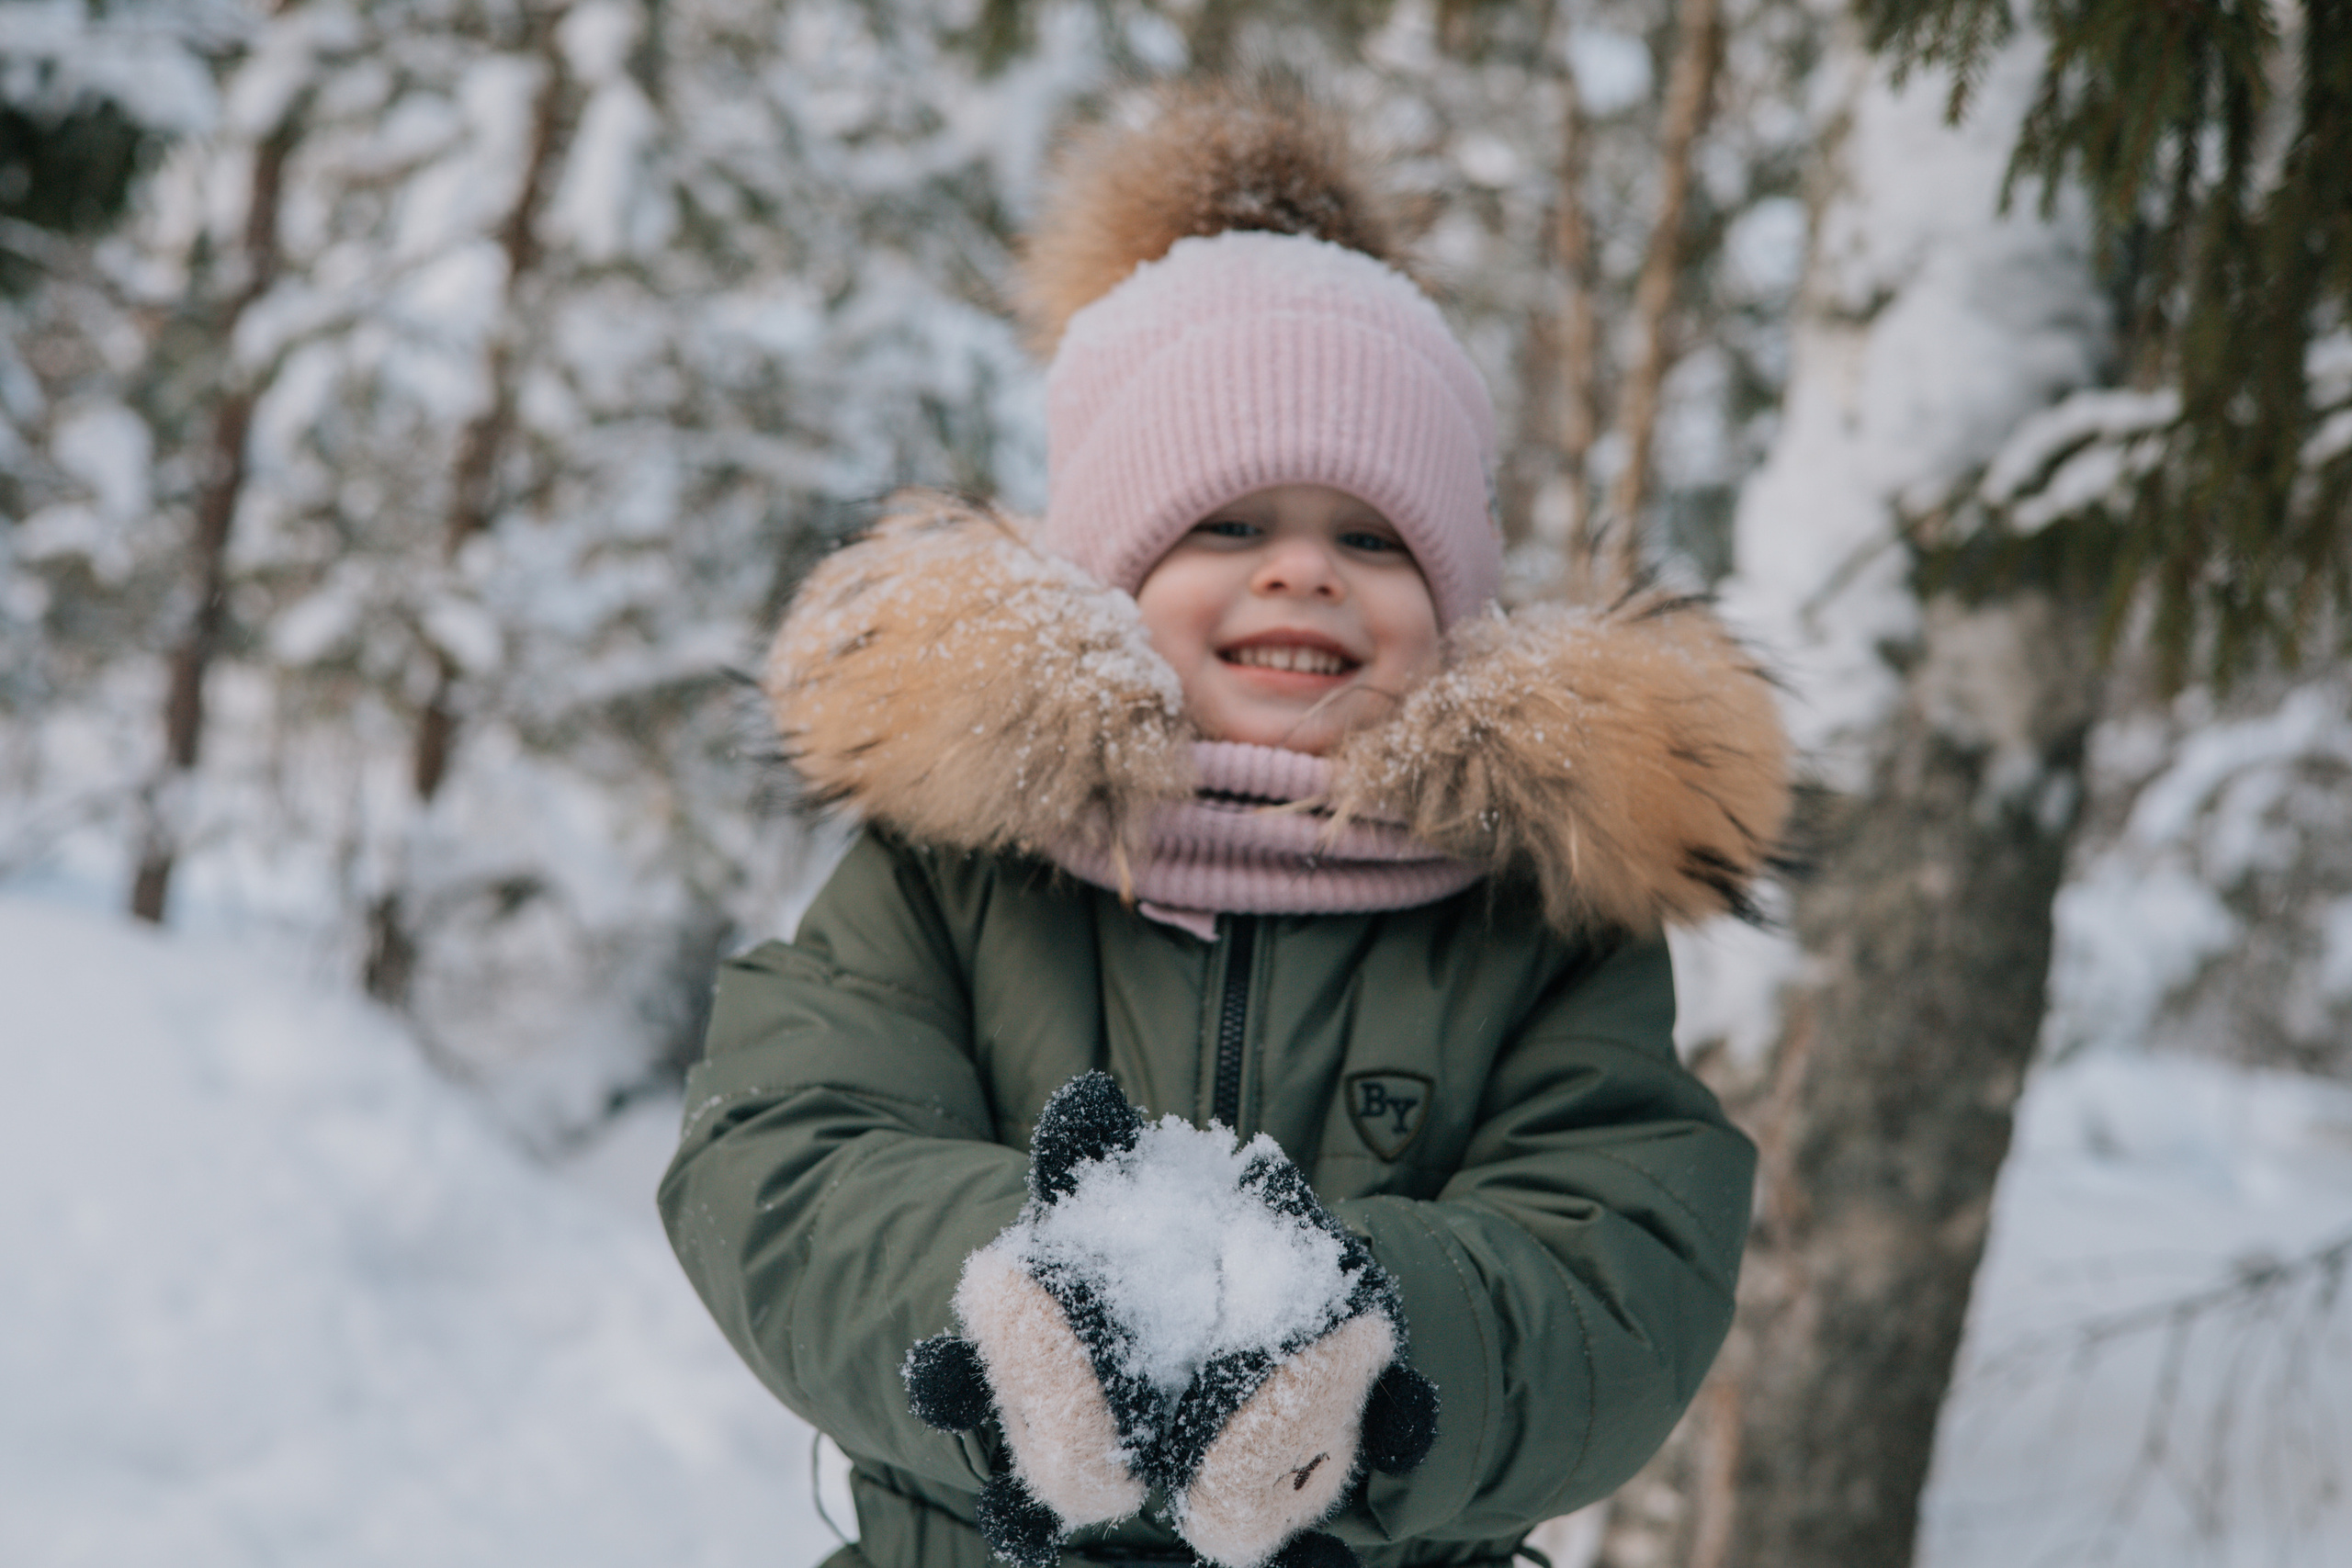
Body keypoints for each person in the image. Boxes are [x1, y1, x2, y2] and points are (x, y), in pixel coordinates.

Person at [661, 77, 1791, 1568]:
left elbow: (1626, 1253)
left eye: (1372, 537)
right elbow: (783, 1148)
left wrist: (1381, 1326)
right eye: (1232, 525)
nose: (1304, 574)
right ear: (1113, 576)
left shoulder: (1531, 914)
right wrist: (998, 1287)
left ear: (1451, 601)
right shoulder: (961, 867)